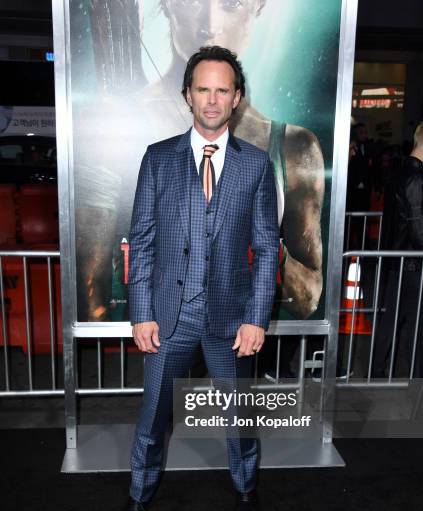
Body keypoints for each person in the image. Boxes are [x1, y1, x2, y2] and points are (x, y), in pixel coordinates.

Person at [77, 0, 324, 321]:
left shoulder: (292, 146)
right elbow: (91, 296)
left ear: (258, 8)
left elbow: (307, 298)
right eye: (192, 1)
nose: (210, 22)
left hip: (241, 340)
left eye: (231, 3)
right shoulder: (117, 130)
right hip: (165, 336)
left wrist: (257, 240)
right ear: (167, 5)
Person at [120, 46, 280, 511]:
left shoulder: (255, 165)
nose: (212, 100)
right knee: (152, 418)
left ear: (237, 99)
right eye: (203, 89)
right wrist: (141, 311)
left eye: (222, 90)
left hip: (232, 319)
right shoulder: (158, 158)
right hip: (168, 316)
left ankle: (247, 489)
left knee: (239, 417)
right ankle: (138, 497)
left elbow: (267, 248)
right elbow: (142, 241)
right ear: (187, 95)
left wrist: (257, 317)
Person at [372, 121, 423, 378]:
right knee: (415, 324)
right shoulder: (416, 177)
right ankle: (416, 378)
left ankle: (377, 368)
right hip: (412, 262)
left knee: (393, 318)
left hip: (399, 259)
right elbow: (418, 228)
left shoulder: (400, 170)